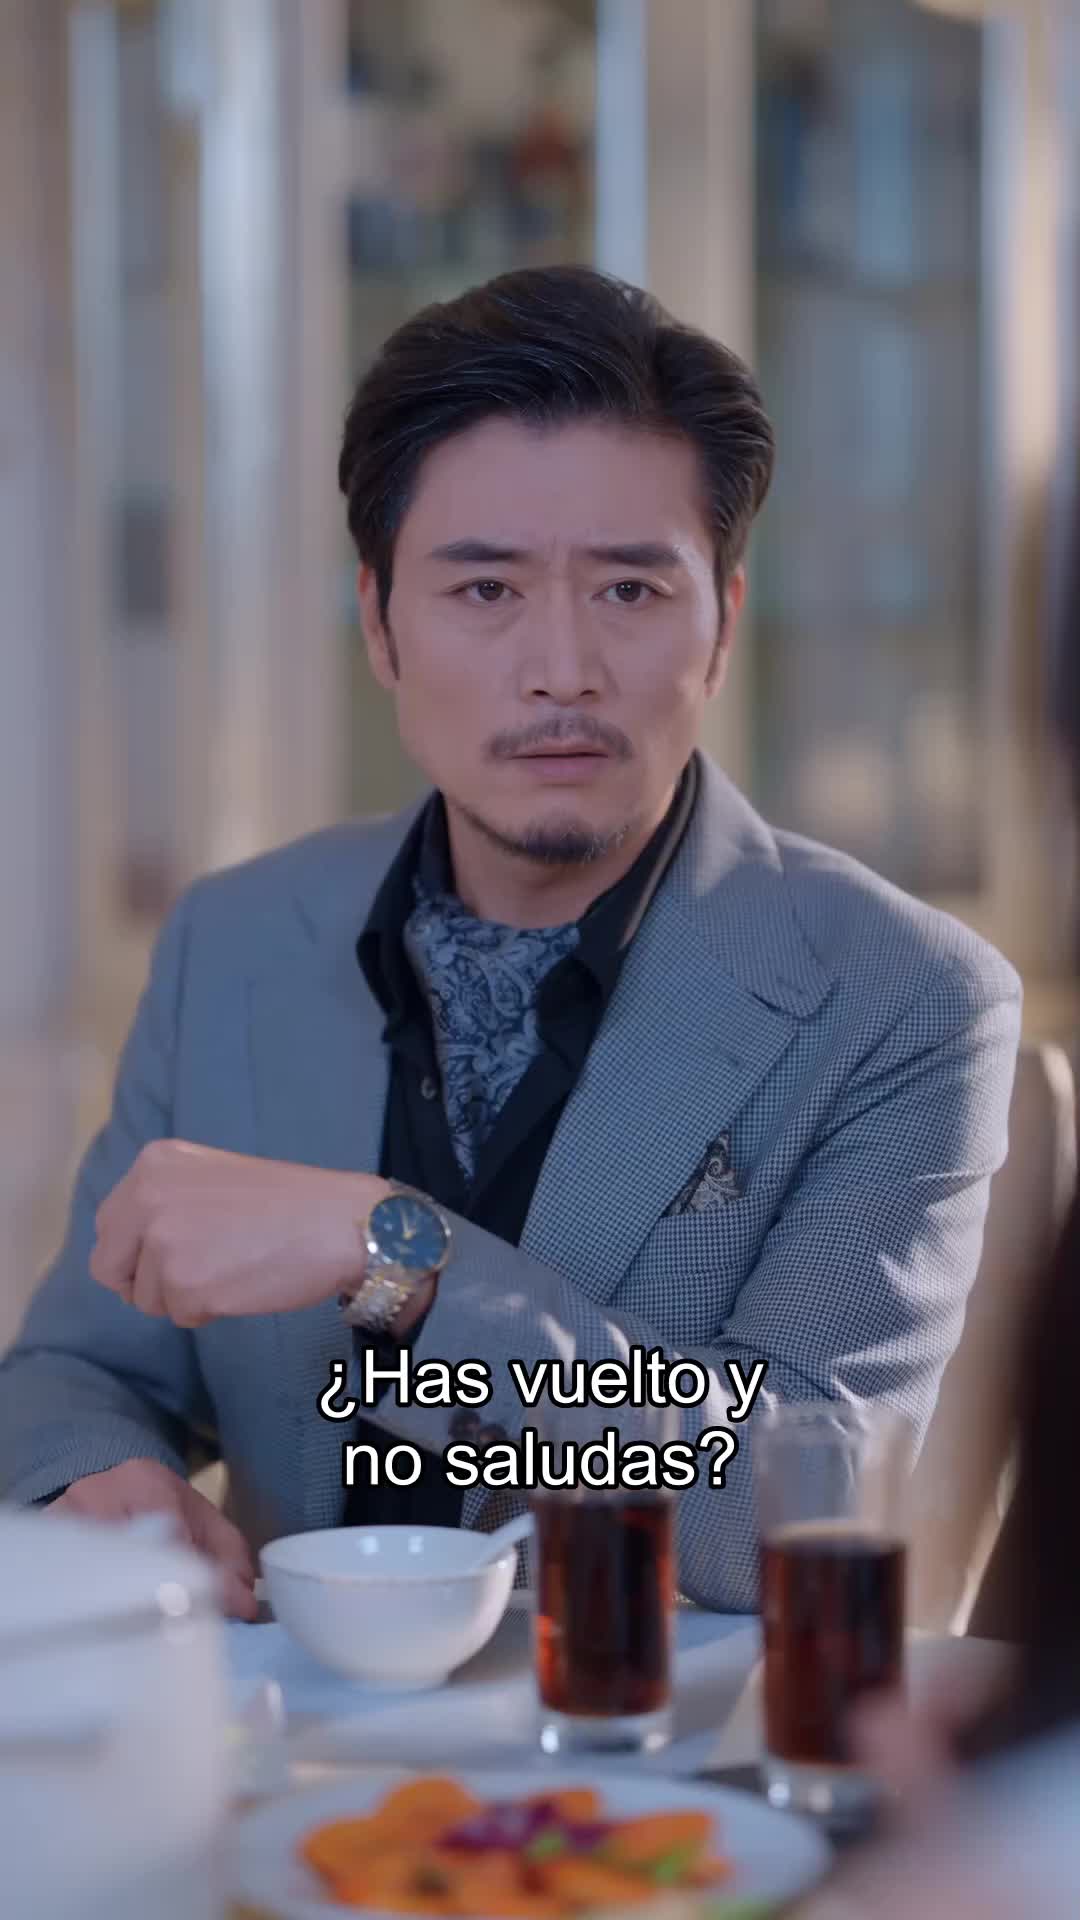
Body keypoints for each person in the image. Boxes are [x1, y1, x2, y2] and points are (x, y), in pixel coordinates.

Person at [0, 266, 1021, 1618]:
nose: (562, 669)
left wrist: (397, 1262)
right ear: (380, 623)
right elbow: (70, 1375)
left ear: (722, 623)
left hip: (652, 1733)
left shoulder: (901, 998)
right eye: (484, 590)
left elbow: (789, 1507)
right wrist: (94, 1468)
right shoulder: (234, 941)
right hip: (282, 1724)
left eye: (630, 591)